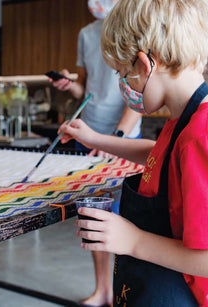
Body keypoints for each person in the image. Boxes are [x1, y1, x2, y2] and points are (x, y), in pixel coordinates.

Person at [59, 0, 208, 305]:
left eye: (121, 73)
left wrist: (134, 241)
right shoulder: (185, 121)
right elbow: (160, 155)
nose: (122, 84)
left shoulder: (204, 135)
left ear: (143, 65)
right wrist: (97, 139)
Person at [51, 1, 141, 305]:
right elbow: (86, 88)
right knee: (95, 214)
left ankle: (121, 292)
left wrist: (114, 138)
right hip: (89, 134)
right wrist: (69, 85)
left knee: (124, 217)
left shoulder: (135, 26)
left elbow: (138, 97)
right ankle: (102, 289)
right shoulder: (86, 34)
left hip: (121, 136)